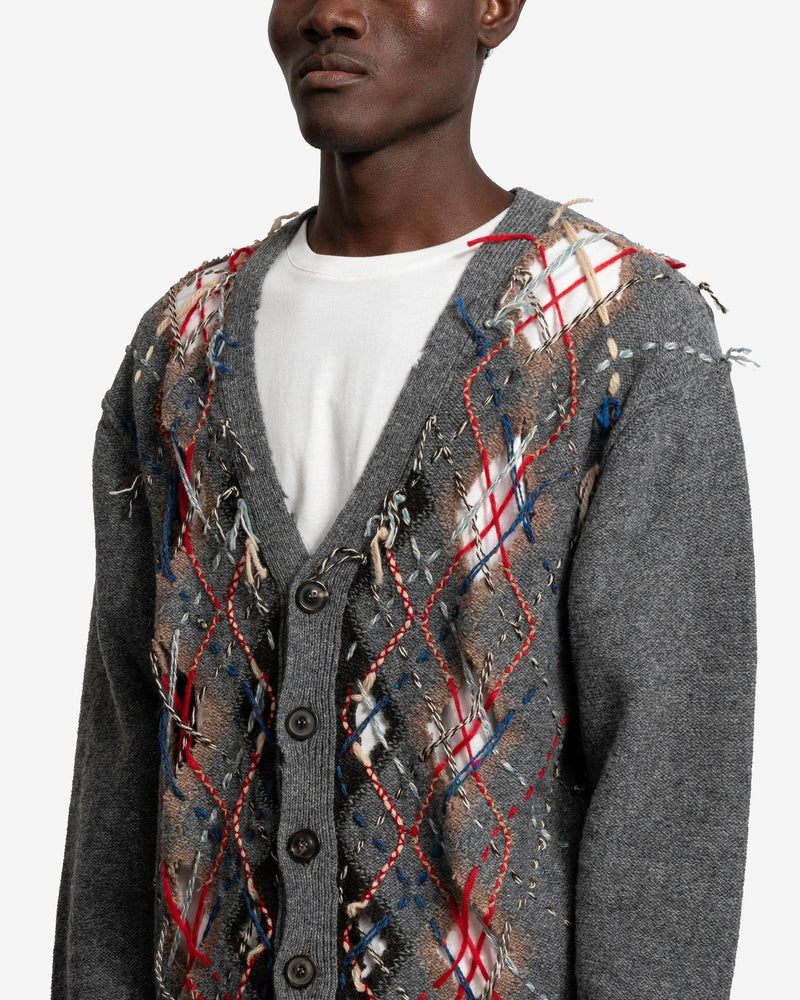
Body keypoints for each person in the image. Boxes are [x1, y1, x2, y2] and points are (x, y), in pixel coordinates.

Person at [50, 2, 758, 999]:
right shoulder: (182, 347)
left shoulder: (612, 336)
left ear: (493, 9)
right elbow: (124, 766)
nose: (330, 15)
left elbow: (668, 787)